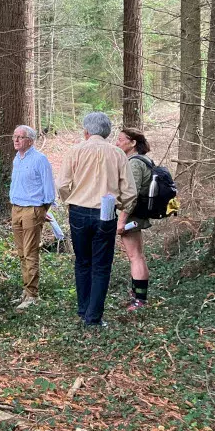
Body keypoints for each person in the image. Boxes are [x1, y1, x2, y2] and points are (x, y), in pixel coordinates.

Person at [57, 112, 136, 327]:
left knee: (82, 262)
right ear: (107, 132)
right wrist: (120, 205)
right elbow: (130, 191)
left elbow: (62, 185)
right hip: (106, 212)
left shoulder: (75, 151)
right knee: (101, 265)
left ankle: (83, 310)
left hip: (79, 210)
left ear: (86, 131)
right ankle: (93, 317)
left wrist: (70, 200)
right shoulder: (118, 154)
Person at [9, 125, 56, 310]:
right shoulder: (17, 159)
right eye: (15, 136)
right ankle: (25, 289)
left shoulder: (40, 159)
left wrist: (42, 210)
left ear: (30, 140)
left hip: (32, 209)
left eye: (20, 137)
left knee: (30, 252)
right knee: (21, 253)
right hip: (16, 208)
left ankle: (32, 294)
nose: (16, 140)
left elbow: (49, 190)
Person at [116, 127, 152, 312]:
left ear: (133, 143)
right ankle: (137, 296)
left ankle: (139, 300)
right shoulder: (143, 160)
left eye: (121, 139)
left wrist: (121, 220)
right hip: (136, 215)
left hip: (132, 216)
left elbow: (132, 195)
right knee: (137, 255)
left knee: (135, 256)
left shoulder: (135, 163)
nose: (117, 142)